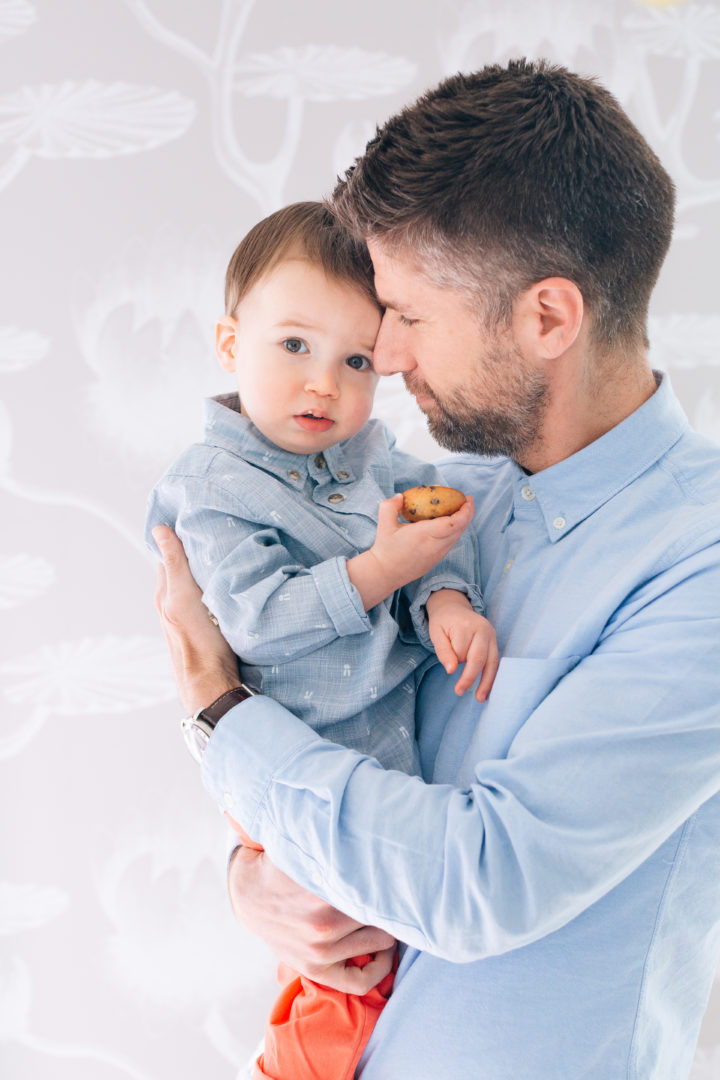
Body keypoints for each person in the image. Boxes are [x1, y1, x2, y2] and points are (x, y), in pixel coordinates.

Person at [153, 59, 720, 1078]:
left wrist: (219, 715)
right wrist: (253, 875)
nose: (390, 356)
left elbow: (482, 879)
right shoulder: (437, 502)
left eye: (408, 317)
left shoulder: (701, 565)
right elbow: (339, 736)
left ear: (548, 318)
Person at [146, 200, 497, 1079]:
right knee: (350, 966)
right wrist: (380, 570)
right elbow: (256, 620)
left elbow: (439, 520)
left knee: (367, 959)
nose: (324, 385)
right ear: (232, 344)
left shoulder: (374, 461)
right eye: (294, 346)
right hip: (288, 760)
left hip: (371, 758)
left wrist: (446, 596)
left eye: (356, 361)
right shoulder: (216, 483)